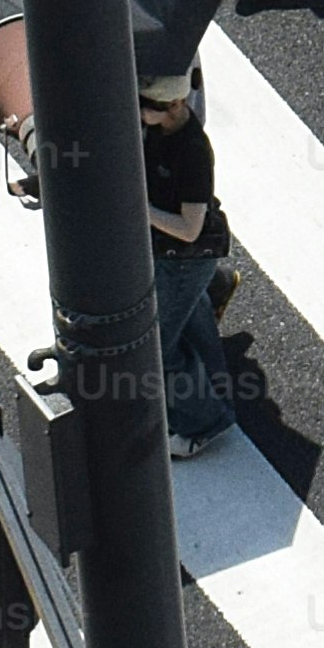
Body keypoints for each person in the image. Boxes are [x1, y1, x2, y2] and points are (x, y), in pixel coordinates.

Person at [141, 57, 239, 458]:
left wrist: (139, 207)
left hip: (185, 256)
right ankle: (214, 389)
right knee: (192, 326)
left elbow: (189, 228)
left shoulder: (192, 151)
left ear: (174, 106)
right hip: (176, 256)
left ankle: (202, 422)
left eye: (146, 104)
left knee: (160, 347)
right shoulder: (157, 128)